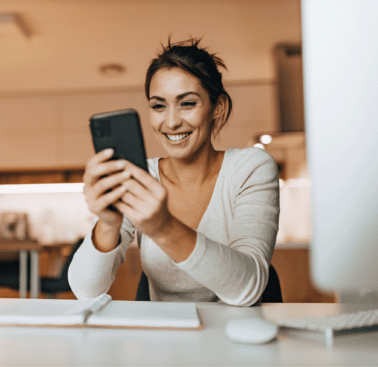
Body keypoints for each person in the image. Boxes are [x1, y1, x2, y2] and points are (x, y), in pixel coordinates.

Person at [68, 38, 279, 306]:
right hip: (165, 339)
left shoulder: (250, 167)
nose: (171, 122)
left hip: (235, 337)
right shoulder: (140, 176)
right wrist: (109, 224)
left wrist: (163, 227)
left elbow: (248, 288)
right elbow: (86, 291)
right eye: (158, 106)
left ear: (218, 107)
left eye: (187, 103)